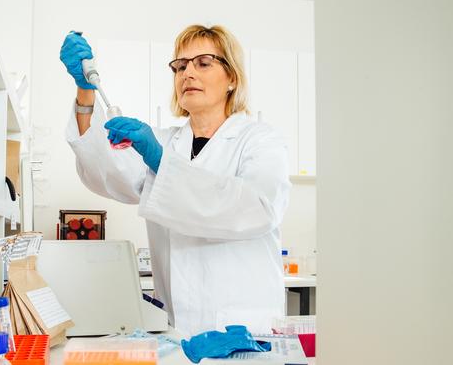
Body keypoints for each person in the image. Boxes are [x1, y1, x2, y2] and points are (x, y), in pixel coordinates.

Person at [59, 25, 290, 336]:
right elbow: (105, 172)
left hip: (243, 330)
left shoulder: (260, 141)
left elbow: (256, 208)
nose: (187, 73)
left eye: (203, 63)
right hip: (176, 329)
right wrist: (85, 88)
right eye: (180, 66)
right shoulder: (165, 143)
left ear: (232, 78)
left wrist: (161, 162)